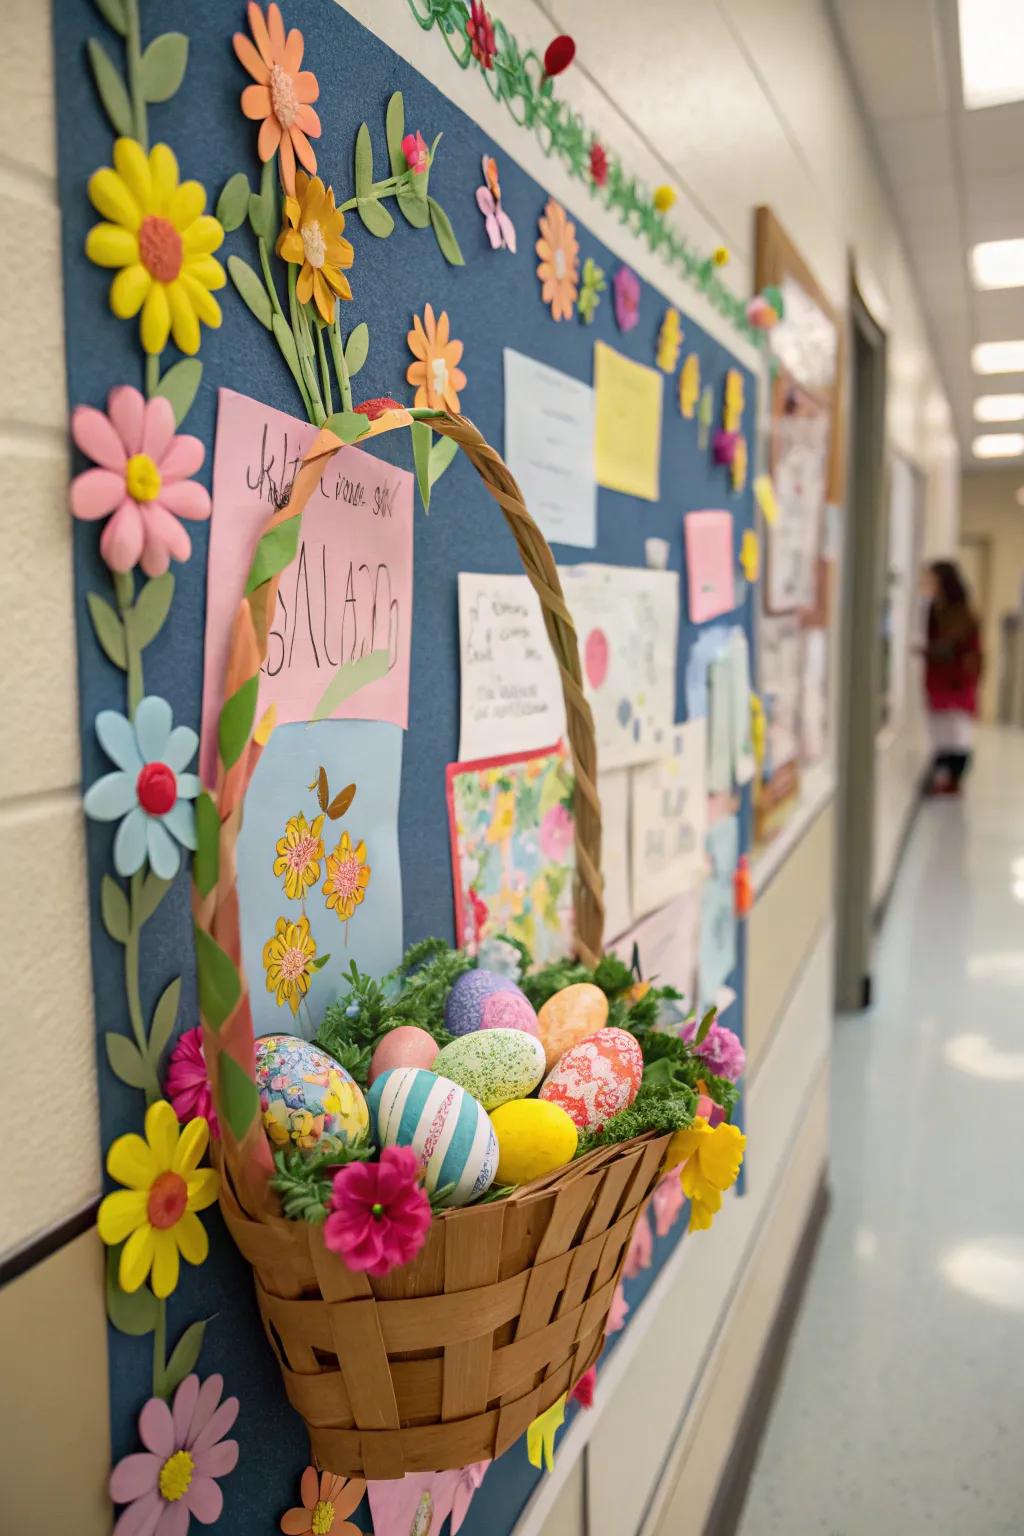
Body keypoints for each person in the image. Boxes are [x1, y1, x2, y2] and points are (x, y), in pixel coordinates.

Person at [921, 560, 982, 795]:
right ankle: (943, 778)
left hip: (957, 684)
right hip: (937, 682)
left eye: (932, 580)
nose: (928, 585)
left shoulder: (964, 615)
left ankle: (953, 780)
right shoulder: (931, 611)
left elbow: (972, 653)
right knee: (939, 733)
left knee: (957, 733)